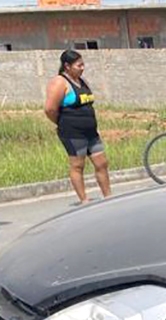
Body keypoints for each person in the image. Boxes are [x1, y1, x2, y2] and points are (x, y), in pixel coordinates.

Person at [44, 50, 111, 205]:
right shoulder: (59, 82)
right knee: (78, 165)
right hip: (72, 132)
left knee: (101, 163)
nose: (82, 68)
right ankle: (84, 200)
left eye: (83, 64)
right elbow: (50, 109)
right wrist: (61, 123)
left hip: (91, 132)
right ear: (67, 66)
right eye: (79, 65)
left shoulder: (82, 81)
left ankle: (108, 197)